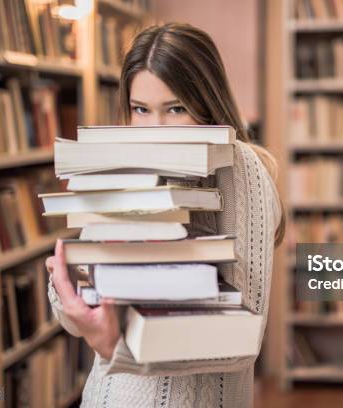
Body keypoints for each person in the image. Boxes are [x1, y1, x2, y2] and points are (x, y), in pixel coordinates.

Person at [45, 23, 285, 407]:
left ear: (205, 103)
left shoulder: (241, 170)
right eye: (141, 109)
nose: (154, 129)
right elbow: (85, 312)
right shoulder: (124, 162)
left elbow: (243, 343)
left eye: (175, 109)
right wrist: (69, 288)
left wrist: (119, 344)